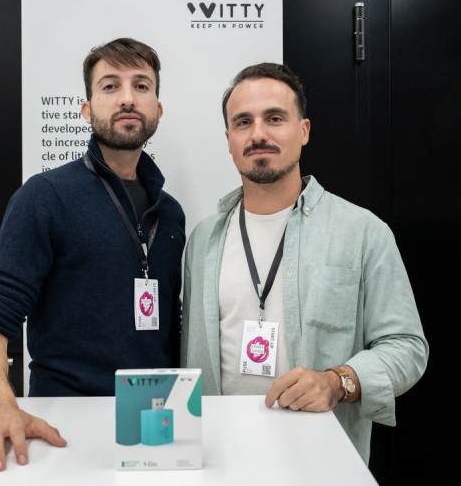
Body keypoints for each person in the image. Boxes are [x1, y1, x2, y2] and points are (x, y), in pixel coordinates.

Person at [180, 62, 428, 465]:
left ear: (304, 130)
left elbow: (407, 347)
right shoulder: (203, 239)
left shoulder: (362, 232)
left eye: (275, 118)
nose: (258, 134)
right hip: (219, 458)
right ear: (229, 140)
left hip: (318, 460)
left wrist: (338, 382)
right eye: (243, 122)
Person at [0, 37, 185, 471]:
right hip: (64, 421)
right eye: (109, 86)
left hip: (156, 419)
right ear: (86, 109)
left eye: (141, 86)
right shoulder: (45, 196)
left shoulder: (171, 213)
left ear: (158, 109)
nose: (127, 98)